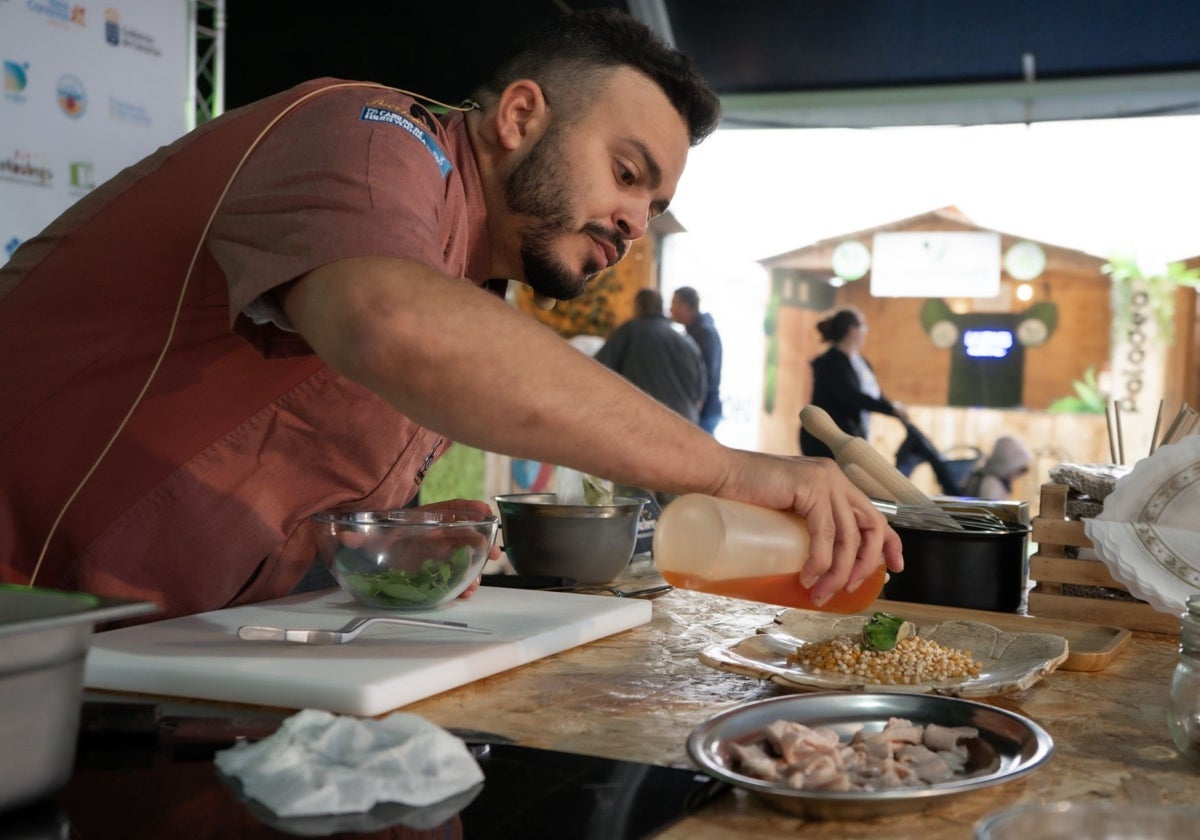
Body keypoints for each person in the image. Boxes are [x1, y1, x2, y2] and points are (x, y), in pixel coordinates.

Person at [0, 10, 901, 620]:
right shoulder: (363, 131)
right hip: (30, 627)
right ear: (518, 116)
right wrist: (731, 472)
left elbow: (277, 492)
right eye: (627, 173)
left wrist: (399, 537)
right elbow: (392, 323)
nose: (635, 222)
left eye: (653, 207)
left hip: (156, 669)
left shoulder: (466, 284)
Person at [595, 288, 706, 424]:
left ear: (638, 307)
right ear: (661, 307)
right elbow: (699, 395)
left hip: (643, 423)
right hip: (685, 424)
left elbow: (598, 369)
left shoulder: (628, 331)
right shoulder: (687, 342)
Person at [669, 286, 723, 434]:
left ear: (686, 306)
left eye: (674, 303)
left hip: (704, 411)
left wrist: (696, 403)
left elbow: (706, 373)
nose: (670, 309)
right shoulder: (695, 331)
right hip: (698, 410)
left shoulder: (704, 333)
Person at [961, 436, 1032, 500]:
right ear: (1009, 465)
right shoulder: (991, 484)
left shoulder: (986, 476)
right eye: (1020, 469)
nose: (1019, 475)